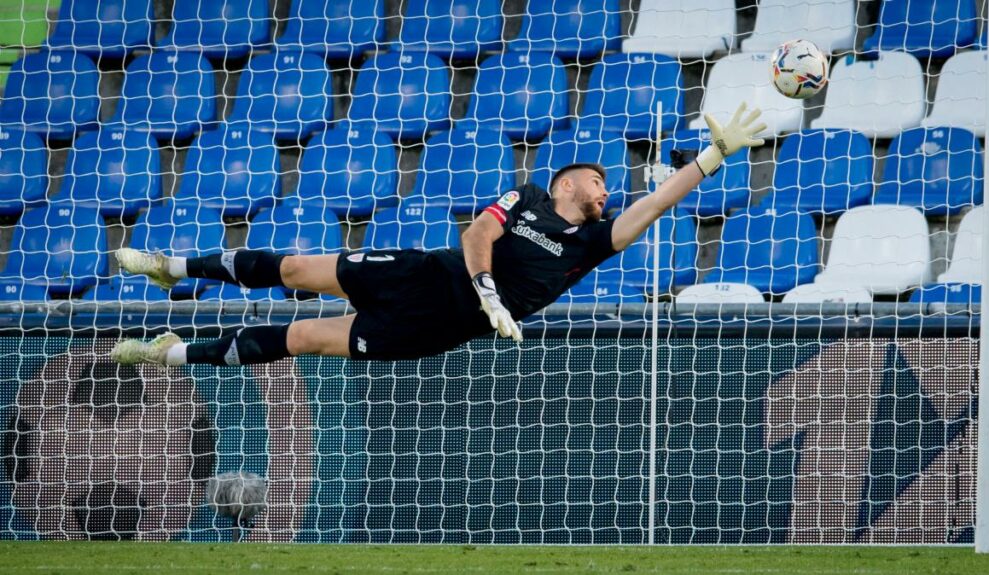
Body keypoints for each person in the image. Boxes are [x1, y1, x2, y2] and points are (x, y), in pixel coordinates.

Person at [111, 103, 766, 367]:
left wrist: (714, 156)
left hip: (435, 326)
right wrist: (490, 292)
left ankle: (170, 352)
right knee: (293, 271)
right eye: (598, 181)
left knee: (305, 337)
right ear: (568, 182)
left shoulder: (594, 243)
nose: (606, 192)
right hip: (426, 273)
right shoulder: (530, 196)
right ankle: (174, 266)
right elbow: (479, 232)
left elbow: (655, 203)